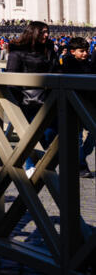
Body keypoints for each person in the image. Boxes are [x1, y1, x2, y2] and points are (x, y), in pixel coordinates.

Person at [6, 21, 58, 177]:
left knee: (51, 131)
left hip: (49, 97)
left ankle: (40, 162)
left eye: (47, 31)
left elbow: (55, 69)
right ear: (32, 33)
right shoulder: (17, 53)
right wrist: (16, 103)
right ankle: (31, 165)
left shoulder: (49, 49)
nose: (46, 35)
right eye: (42, 32)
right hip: (28, 100)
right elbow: (11, 77)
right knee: (32, 134)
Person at [55, 37, 95, 177]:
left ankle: (80, 158)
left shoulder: (90, 64)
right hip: (73, 105)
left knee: (93, 134)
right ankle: (81, 165)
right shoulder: (65, 65)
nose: (85, 54)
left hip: (89, 105)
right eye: (82, 51)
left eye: (86, 51)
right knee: (76, 138)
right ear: (73, 52)